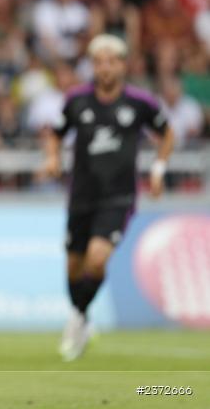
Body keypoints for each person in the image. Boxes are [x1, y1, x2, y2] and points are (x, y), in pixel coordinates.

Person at [42, 34, 175, 361]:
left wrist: (158, 169)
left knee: (97, 258)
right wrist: (53, 158)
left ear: (123, 65)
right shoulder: (77, 101)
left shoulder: (140, 103)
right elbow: (55, 135)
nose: (105, 68)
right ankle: (82, 316)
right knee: (74, 264)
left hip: (119, 196)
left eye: (111, 61)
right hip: (81, 195)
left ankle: (76, 318)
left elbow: (167, 133)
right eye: (99, 61)